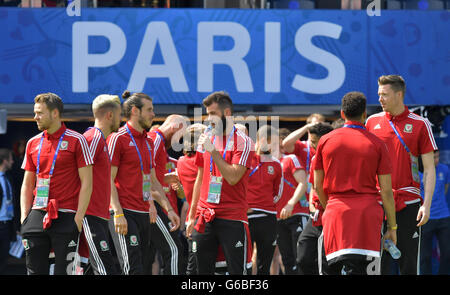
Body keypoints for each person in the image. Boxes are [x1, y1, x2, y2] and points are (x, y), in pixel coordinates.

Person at [314, 91, 397, 275]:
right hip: (368, 219)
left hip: (336, 216)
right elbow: (386, 191)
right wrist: (392, 227)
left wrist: (331, 207)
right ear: (364, 114)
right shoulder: (377, 144)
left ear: (342, 114)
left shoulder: (325, 141)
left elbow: (317, 185)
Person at [366, 75, 437, 275]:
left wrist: (427, 205)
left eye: (384, 95)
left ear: (399, 94)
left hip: (409, 204)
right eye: (379, 94)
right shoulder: (371, 122)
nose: (380, 99)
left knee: (408, 265)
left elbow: (430, 168)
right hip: (377, 202)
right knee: (376, 266)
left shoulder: (421, 124)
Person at [107, 90, 180, 275]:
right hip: (125, 212)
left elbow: (152, 180)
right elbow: (108, 179)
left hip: (145, 212)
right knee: (133, 268)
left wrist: (168, 209)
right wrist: (117, 213)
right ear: (135, 111)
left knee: (145, 265)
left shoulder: (148, 141)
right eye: (149, 109)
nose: (153, 114)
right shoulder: (117, 138)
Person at [20, 92, 93, 275]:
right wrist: (24, 217)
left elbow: (87, 182)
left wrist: (78, 218)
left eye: (39, 113)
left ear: (54, 114)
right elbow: (27, 184)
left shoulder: (77, 140)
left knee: (65, 272)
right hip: (37, 215)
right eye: (35, 112)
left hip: (67, 215)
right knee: (34, 271)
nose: (35, 117)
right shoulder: (32, 143)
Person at [186, 91, 254, 275]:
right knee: (200, 272)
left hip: (232, 217)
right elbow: (200, 178)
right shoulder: (206, 138)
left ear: (227, 114)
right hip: (205, 215)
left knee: (237, 273)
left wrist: (214, 153)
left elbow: (233, 177)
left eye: (213, 114)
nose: (209, 119)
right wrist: (192, 215)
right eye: (207, 114)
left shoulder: (244, 142)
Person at [81, 94, 122, 275]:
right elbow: (76, 175)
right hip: (89, 215)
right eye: (120, 115)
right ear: (110, 116)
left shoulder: (100, 140)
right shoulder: (93, 138)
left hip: (98, 215)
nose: (121, 120)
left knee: (95, 267)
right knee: (105, 269)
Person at [148, 114, 187, 275]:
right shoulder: (155, 139)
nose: (179, 141)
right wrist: (150, 203)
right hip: (150, 205)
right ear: (175, 127)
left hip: (156, 205)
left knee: (145, 257)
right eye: (181, 135)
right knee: (174, 250)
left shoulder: (160, 145)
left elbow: (153, 177)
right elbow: (144, 175)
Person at [296, 122, 334, 275]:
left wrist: (328, 210)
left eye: (313, 142)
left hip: (331, 214)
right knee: (303, 257)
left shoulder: (335, 158)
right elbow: (313, 186)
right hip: (316, 215)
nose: (310, 145)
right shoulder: (314, 159)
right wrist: (312, 205)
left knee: (326, 262)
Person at [246, 124, 283, 275]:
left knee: (264, 264)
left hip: (268, 217)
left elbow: (277, 193)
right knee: (245, 262)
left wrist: (264, 203)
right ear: (261, 140)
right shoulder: (245, 158)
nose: (275, 147)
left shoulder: (276, 163)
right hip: (246, 217)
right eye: (273, 143)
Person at [419, 150, 450, 274]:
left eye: (437, 157)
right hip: (426, 218)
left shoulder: (445, 169)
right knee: (424, 257)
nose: (435, 160)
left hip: (444, 217)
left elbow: (445, 189)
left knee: (447, 253)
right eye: (433, 157)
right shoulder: (419, 173)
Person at [0, 149, 15, 274]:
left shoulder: (8, 178)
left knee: (4, 256)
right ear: (4, 161)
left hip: (7, 223)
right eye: (10, 159)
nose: (12, 161)